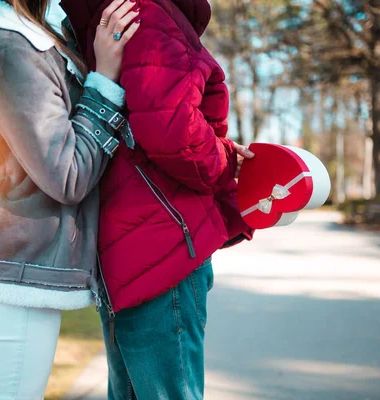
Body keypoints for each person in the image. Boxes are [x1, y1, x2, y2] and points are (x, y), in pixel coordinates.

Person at [61, 0, 255, 398]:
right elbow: (174, 132)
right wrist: (224, 157)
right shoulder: (147, 12)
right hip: (163, 250)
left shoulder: (100, 18)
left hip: (126, 252)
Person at [0, 0, 139, 398]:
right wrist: (105, 78)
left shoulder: (31, 32)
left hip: (18, 253)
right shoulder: (9, 45)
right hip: (19, 257)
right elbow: (67, 175)